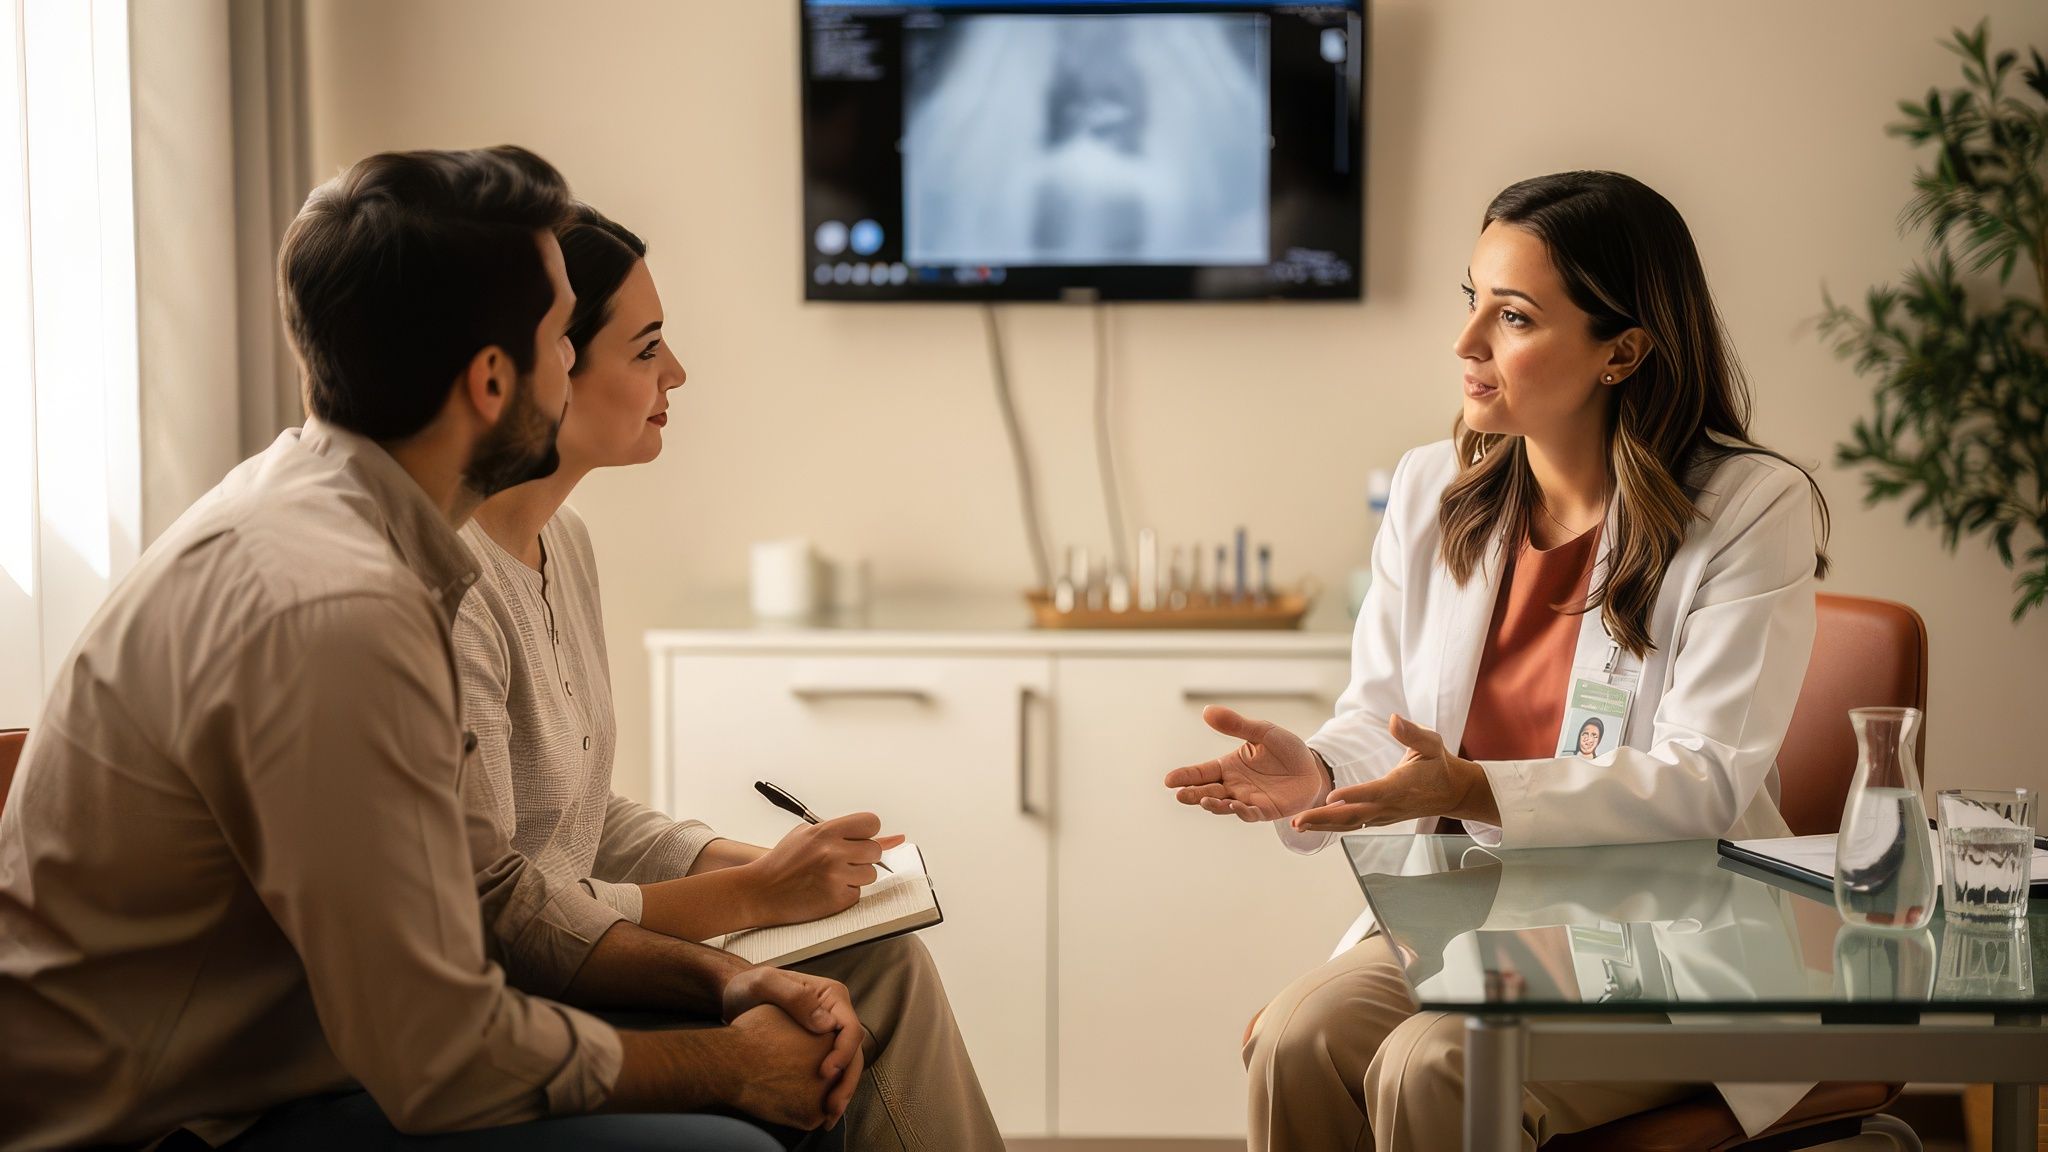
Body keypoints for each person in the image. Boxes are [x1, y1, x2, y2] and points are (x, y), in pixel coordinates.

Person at [0, 146, 860, 1152]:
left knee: (796, 1045)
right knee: (738, 1133)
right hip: (167, 1127)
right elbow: (441, 1056)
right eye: (557, 340)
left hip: (295, 1061)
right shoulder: (335, 612)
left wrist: (728, 975)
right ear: (494, 381)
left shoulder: (338, 518)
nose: (571, 369)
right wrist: (731, 1065)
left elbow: (483, 889)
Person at [1163, 171, 1830, 1151]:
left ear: (1622, 350)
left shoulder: (1745, 507)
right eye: (1470, 300)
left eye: (1511, 317)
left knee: (1429, 1065)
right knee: (1298, 1039)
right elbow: (1379, 712)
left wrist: (1471, 785)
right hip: (1467, 920)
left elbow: (1701, 781)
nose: (1466, 343)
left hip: (1657, 945)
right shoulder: (1433, 489)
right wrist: (1316, 771)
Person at [454, 204, 1004, 1152]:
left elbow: (580, 815)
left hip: (578, 952)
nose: (676, 374)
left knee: (881, 950)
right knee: (849, 999)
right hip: (534, 989)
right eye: (647, 349)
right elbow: (510, 902)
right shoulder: (454, 592)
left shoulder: (564, 545)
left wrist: (762, 864)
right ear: (548, 367)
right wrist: (755, 897)